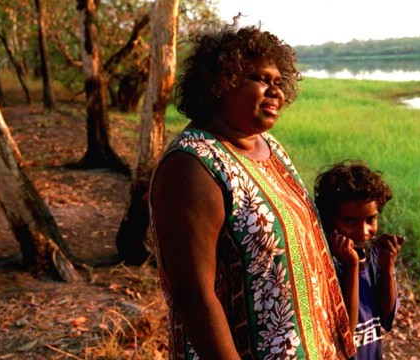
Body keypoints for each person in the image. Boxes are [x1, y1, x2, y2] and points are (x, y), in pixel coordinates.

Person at [149, 20, 356, 360]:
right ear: (220, 83)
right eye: (260, 78)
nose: (276, 91)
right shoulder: (192, 166)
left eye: (278, 82)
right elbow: (194, 296)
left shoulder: (269, 146)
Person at [313, 160, 404, 360]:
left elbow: (387, 317)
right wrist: (352, 266)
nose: (363, 232)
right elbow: (346, 332)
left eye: (370, 220)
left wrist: (388, 266)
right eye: (349, 221)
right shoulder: (325, 264)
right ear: (329, 221)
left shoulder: (372, 257)